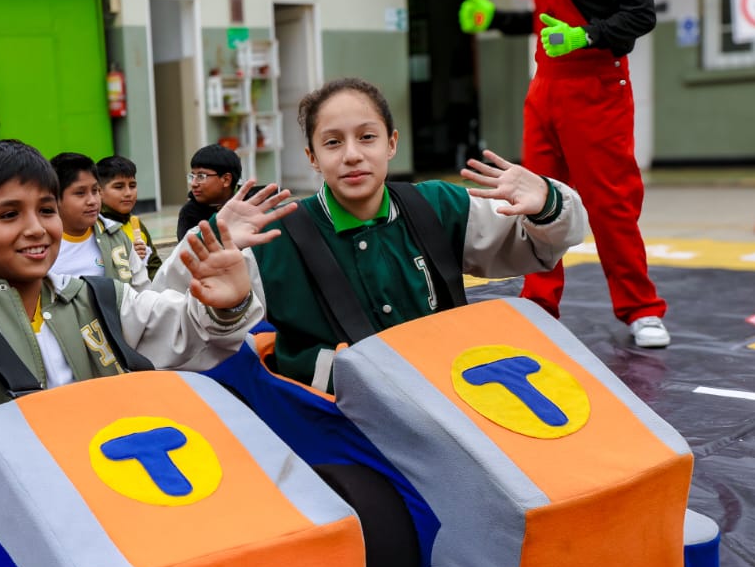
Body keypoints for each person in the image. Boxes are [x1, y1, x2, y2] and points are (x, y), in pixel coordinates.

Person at [0, 139, 261, 468]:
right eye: (8, 215)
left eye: (46, 210)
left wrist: (226, 305)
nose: (35, 229)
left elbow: (187, 334)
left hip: (110, 496)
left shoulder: (99, 297)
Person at [219, 77, 587, 391]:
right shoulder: (272, 237)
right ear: (312, 157)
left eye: (367, 137)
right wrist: (215, 256)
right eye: (332, 142)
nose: (352, 155)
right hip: (332, 426)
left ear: (391, 143)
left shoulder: (437, 206)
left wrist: (548, 203)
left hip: (448, 403)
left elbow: (540, 247)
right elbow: (193, 321)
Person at [458, 0, 667, 348]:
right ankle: (540, 301)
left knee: (611, 203)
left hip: (596, 92)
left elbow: (641, 15)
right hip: (545, 91)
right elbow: (543, 24)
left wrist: (587, 36)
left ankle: (641, 309)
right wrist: (498, 20)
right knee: (536, 199)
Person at [47, 152, 148, 288]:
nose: (92, 201)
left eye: (95, 191)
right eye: (80, 193)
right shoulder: (42, 245)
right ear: (55, 198)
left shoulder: (115, 236)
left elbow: (141, 287)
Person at [96, 154, 161, 275]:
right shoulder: (94, 226)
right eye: (119, 187)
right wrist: (130, 259)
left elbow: (154, 266)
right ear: (99, 191)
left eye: (132, 185)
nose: (128, 193)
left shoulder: (135, 223)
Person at [175, 143, 241, 243]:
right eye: (192, 176)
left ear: (226, 179)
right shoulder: (190, 212)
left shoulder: (250, 202)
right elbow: (187, 249)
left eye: (201, 176)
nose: (193, 184)